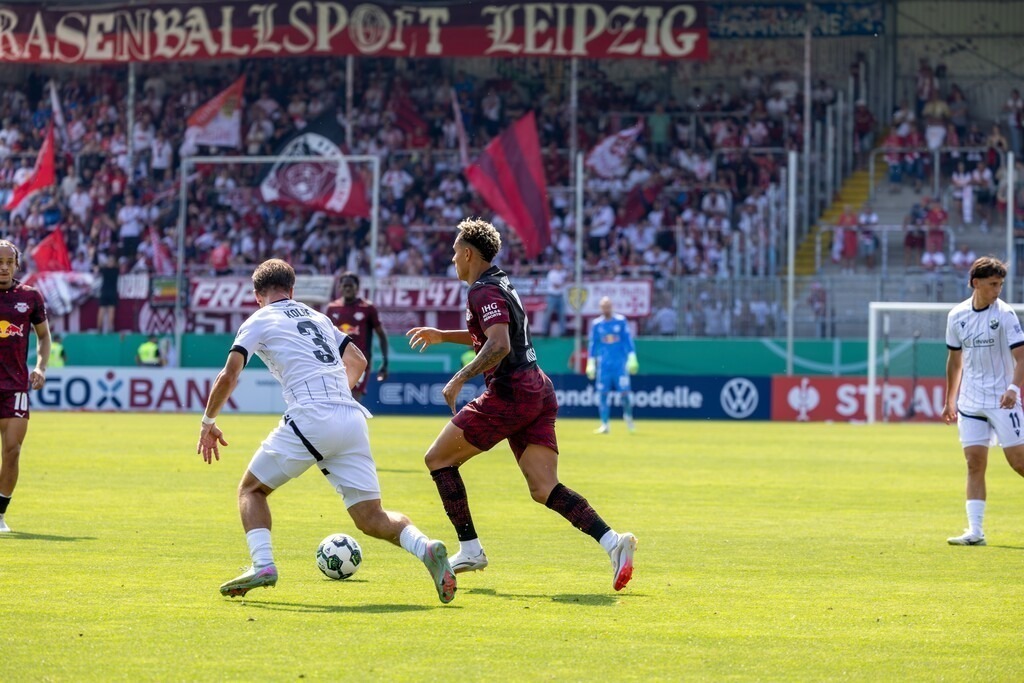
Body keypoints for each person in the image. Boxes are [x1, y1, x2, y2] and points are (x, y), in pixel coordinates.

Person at [197, 259, 456, 602]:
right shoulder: (318, 317)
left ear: (257, 295)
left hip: (311, 415)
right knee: (371, 516)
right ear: (291, 290)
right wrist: (336, 397)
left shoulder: (258, 319)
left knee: (251, 490)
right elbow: (359, 361)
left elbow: (229, 374)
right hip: (351, 419)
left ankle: (263, 564)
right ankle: (426, 547)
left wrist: (208, 423)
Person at [406, 218, 637, 592]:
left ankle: (470, 549)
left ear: (467, 253)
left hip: (511, 391)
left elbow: (499, 345)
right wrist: (443, 336)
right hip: (537, 389)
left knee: (438, 459)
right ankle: (615, 542)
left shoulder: (481, 291)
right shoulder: (501, 281)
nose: (452, 260)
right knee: (543, 487)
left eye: (454, 252)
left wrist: (459, 378)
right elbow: (494, 333)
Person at [942, 257, 1024, 546]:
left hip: (1003, 400)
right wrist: (950, 400)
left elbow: (1021, 356)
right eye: (992, 284)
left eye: (1000, 284)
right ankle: (975, 531)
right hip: (970, 402)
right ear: (976, 283)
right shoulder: (957, 316)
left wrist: (1014, 387)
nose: (998, 289)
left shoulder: (1005, 315)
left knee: (1019, 463)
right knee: (974, 463)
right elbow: (955, 361)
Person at [0, 241, 52, 533]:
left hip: (15, 386)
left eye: (9, 262)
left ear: (17, 265)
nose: (4, 267)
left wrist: (40, 367)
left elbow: (44, 337)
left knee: (12, 451)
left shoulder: (30, 297)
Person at [325, 272, 389, 403]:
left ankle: (353, 423)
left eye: (351, 285)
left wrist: (384, 362)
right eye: (345, 285)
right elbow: (326, 336)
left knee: (353, 398)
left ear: (357, 287)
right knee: (336, 398)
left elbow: (381, 335)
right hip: (337, 361)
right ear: (340, 287)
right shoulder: (332, 308)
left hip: (360, 361)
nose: (348, 288)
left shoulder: (367, 308)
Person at [587, 296, 639, 434]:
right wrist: (591, 362)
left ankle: (628, 417)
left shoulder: (621, 321)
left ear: (612, 307)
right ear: (600, 308)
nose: (606, 309)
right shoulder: (597, 324)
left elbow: (627, 340)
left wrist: (632, 356)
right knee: (602, 395)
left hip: (620, 365)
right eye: (604, 306)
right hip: (604, 366)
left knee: (625, 394)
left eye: (608, 306)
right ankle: (605, 425)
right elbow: (593, 344)